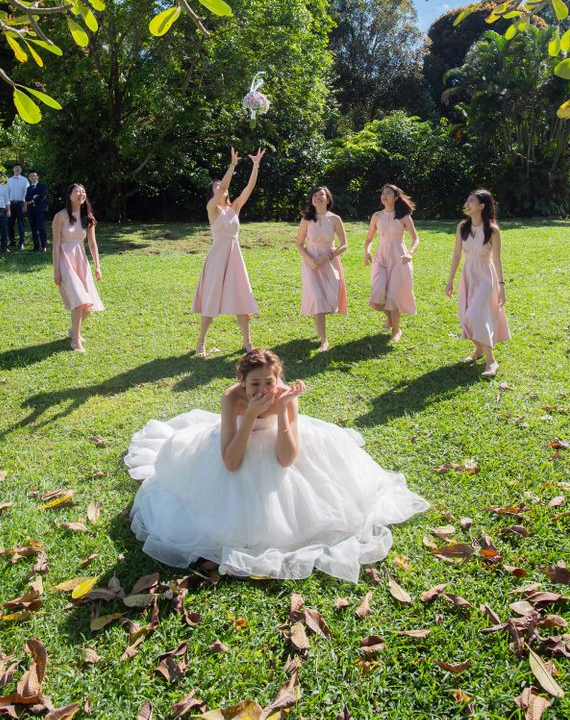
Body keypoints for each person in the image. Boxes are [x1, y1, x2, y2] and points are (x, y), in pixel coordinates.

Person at [125, 348, 429, 583]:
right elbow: (230, 463)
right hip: (237, 447)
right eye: (254, 383)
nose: (262, 389)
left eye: (269, 382)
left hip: (278, 448)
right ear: (241, 382)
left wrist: (282, 411)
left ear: (278, 378)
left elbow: (286, 459)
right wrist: (251, 416)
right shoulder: (232, 399)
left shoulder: (284, 396)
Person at [192, 147, 265, 357]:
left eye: (221, 187)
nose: (221, 189)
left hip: (234, 256)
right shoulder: (212, 209)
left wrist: (255, 165)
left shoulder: (235, 208)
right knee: (211, 298)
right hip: (217, 256)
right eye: (216, 188)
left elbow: (249, 189)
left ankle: (247, 342)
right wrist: (232, 165)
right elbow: (224, 185)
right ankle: (201, 342)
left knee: (242, 296)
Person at [445, 189, 510, 378]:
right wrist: (450, 281)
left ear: (481, 206)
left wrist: (502, 286)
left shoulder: (492, 230)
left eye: (471, 201)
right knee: (466, 316)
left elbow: (497, 260)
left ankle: (491, 361)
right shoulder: (462, 227)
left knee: (477, 314)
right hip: (468, 276)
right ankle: (478, 349)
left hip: (485, 278)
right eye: (467, 200)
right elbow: (457, 255)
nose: (467, 203)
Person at [52, 183, 104, 352]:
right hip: (65, 260)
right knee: (79, 302)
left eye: (83, 191)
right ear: (69, 195)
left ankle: (74, 331)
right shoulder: (60, 217)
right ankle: (76, 341)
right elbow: (56, 245)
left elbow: (92, 243)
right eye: (77, 191)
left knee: (88, 305)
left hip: (80, 260)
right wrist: (56, 270)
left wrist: (97, 266)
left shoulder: (87, 216)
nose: (81, 194)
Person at [364, 184, 419, 342]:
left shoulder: (404, 217)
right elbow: (369, 238)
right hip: (381, 258)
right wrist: (366, 251)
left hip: (399, 259)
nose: (384, 195)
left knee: (393, 296)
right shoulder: (377, 216)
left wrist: (410, 253)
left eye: (388, 193)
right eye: (383, 193)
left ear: (395, 197)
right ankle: (390, 319)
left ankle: (396, 329)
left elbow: (415, 239)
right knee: (377, 298)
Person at [296, 186, 347, 351]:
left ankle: (321, 329)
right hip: (311, 264)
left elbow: (344, 245)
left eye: (321, 195)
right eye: (314, 195)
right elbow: (299, 244)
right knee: (317, 299)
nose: (317, 197)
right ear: (311, 199)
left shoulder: (335, 219)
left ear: (328, 198)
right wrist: (309, 260)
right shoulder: (306, 219)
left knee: (329, 299)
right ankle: (323, 340)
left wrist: (329, 256)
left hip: (329, 263)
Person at [6, 163, 29, 250]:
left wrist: (25, 205)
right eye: (16, 167)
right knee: (10, 224)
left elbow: (27, 194)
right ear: (13, 169)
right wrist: (7, 206)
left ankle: (22, 242)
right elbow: (7, 193)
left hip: (21, 204)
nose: (17, 169)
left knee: (21, 224)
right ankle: (12, 241)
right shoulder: (9, 180)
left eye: (19, 168)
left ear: (21, 170)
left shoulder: (25, 180)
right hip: (11, 204)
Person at [25, 170, 48, 252]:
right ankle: (36, 246)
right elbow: (27, 198)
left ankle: (44, 246)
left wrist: (33, 200)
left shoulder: (41, 185)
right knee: (33, 228)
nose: (33, 177)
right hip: (31, 210)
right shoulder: (28, 188)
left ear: (37, 177)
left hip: (40, 210)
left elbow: (42, 195)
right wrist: (35, 197)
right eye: (31, 176)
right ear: (29, 178)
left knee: (41, 228)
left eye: (34, 175)